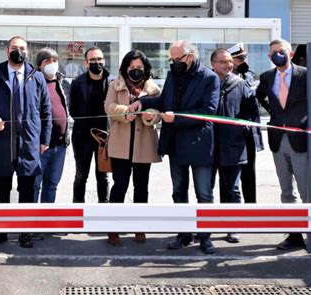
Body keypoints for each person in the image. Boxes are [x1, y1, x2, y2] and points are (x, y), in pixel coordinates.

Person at [132, 41, 220, 254]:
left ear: (190, 57)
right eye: (171, 59)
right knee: (179, 191)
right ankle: (184, 234)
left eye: (177, 59)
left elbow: (208, 111)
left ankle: (205, 237)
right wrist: (142, 103)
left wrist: (176, 118)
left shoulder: (209, 77)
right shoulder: (173, 75)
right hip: (175, 144)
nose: (173, 63)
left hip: (199, 144)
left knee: (204, 193)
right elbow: (164, 100)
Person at [0, 36, 52, 248]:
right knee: (1, 190)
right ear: (6, 51)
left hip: (29, 143)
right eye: (14, 48)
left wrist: (44, 139)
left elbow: (46, 111)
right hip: (2, 143)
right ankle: (0, 232)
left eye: (22, 48)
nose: (17, 51)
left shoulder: (36, 77)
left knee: (27, 191)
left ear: (27, 52)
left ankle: (25, 232)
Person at [104, 49, 162, 246]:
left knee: (141, 186)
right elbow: (108, 107)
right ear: (125, 68)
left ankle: (140, 226)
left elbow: (159, 111)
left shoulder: (153, 88)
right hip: (121, 143)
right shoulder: (116, 85)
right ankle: (113, 228)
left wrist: (151, 115)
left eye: (139, 67)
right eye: (132, 67)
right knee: (119, 185)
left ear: (145, 69)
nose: (136, 71)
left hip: (143, 144)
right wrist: (123, 113)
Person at [256, 39, 308, 250]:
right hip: (279, 138)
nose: (278, 54)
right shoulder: (267, 77)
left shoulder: (305, 74)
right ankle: (294, 234)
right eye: (274, 53)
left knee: (307, 191)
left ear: (291, 54)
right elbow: (261, 97)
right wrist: (275, 115)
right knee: (287, 191)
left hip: (301, 138)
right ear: (269, 57)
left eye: (281, 51)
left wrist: (310, 118)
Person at [210, 48, 260, 243]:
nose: (228, 65)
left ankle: (233, 226)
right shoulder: (207, 83)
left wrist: (245, 130)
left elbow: (251, 112)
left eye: (230, 61)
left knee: (233, 188)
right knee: (206, 189)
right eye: (223, 62)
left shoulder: (241, 84)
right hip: (209, 145)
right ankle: (208, 226)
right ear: (213, 64)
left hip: (234, 145)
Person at [69, 47, 111, 203]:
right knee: (81, 175)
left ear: (104, 61)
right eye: (92, 60)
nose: (97, 62)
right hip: (82, 137)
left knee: (103, 175)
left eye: (99, 59)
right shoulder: (77, 83)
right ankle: (78, 209)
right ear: (86, 63)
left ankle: (104, 209)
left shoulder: (112, 81)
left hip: (104, 137)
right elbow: (72, 109)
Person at [228, 43, 264, 209]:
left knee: (249, 173)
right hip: (230, 132)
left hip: (248, 131)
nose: (242, 61)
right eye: (239, 58)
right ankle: (232, 210)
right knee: (230, 175)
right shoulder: (223, 76)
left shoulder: (249, 75)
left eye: (244, 58)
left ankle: (251, 208)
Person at [34, 48, 71, 204]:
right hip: (40, 146)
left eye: (54, 60)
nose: (51, 64)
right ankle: (30, 223)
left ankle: (46, 224)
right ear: (40, 65)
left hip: (60, 146)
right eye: (47, 61)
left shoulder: (63, 83)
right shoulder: (33, 82)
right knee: (35, 185)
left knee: (51, 186)